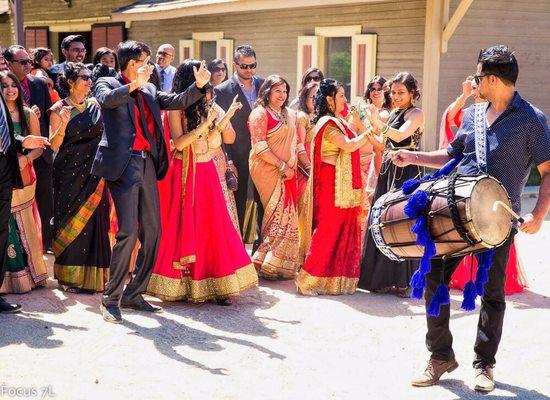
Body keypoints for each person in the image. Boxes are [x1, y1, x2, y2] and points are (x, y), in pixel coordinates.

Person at [391, 45, 550, 392]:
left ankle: (484, 364)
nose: (475, 81)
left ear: (493, 79)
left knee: (492, 293)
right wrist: (411, 155)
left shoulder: (533, 121)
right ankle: (440, 356)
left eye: (479, 76)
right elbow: (449, 156)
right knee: (434, 277)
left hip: (498, 220)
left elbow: (548, 170)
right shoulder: (473, 115)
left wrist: (539, 213)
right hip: (455, 213)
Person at [91, 40, 210, 323]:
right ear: (132, 63)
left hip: (145, 163)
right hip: (122, 165)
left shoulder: (150, 88)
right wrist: (133, 84)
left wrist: (199, 86)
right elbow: (108, 101)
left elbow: (176, 102)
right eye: (146, 60)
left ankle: (134, 292)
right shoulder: (107, 82)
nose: (151, 66)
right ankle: (110, 298)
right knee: (128, 232)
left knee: (154, 232)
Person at [147, 60, 258, 304]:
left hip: (208, 168)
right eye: (201, 77)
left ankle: (219, 283)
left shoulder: (211, 103)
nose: (206, 82)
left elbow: (230, 136)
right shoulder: (176, 107)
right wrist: (205, 126)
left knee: (214, 224)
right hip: (185, 170)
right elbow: (178, 143)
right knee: (183, 225)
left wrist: (221, 120)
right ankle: (182, 285)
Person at [440, 77, 528, 295]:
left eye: (479, 86)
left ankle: (493, 283)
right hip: (468, 184)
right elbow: (450, 118)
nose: (478, 90)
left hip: (495, 190)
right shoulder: (471, 115)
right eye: (476, 87)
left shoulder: (510, 117)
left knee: (494, 234)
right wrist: (465, 94)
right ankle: (465, 280)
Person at [358, 71, 424, 297]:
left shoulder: (417, 114)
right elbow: (383, 143)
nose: (395, 97)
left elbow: (400, 136)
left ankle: (406, 281)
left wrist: (378, 122)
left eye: (401, 92)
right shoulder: (394, 112)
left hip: (408, 170)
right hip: (388, 168)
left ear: (412, 93)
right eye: (393, 92)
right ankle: (382, 278)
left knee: (403, 221)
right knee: (383, 220)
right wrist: (365, 126)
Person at [48, 62, 111, 293]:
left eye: (90, 77)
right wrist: (63, 124)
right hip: (68, 173)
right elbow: (53, 144)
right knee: (70, 220)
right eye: (84, 77)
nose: (89, 81)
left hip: (95, 173)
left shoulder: (96, 105)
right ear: (71, 82)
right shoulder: (59, 109)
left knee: (96, 222)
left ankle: (94, 278)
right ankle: (70, 277)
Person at [0, 79, 50, 312]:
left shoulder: (27, 113)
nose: (10, 89)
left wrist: (25, 151)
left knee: (12, 227)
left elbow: (34, 144)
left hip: (16, 175)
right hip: (5, 171)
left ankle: (18, 282)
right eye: (4, 85)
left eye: (13, 85)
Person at [248, 75, 301, 280]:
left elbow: (296, 142)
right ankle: (264, 262)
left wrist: (301, 164)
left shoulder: (288, 114)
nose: (282, 95)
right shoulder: (259, 113)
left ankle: (276, 263)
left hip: (288, 170)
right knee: (276, 215)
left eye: (285, 91)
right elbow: (259, 147)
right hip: (267, 169)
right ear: (267, 91)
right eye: (277, 90)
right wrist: (282, 166)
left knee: (288, 217)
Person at [4, 45, 54, 254]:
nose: (28, 66)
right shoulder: (3, 87)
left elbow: (48, 116)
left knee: (43, 205)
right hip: (10, 160)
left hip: (39, 157)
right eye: (22, 62)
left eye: (29, 61)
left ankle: (42, 249)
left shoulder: (39, 84)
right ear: (8, 63)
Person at [214, 45, 265, 247]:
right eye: (244, 66)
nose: (249, 70)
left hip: (263, 154)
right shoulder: (222, 90)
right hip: (237, 153)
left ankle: (262, 250)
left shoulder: (263, 84)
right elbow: (221, 125)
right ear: (235, 64)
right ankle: (237, 250)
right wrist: (229, 160)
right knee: (239, 202)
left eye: (253, 65)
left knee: (264, 201)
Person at [295, 82, 317, 200]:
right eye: (312, 97)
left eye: (318, 96)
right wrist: (309, 169)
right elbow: (299, 146)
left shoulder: (318, 116)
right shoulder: (302, 117)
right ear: (304, 98)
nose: (315, 99)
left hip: (318, 166)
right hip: (305, 169)